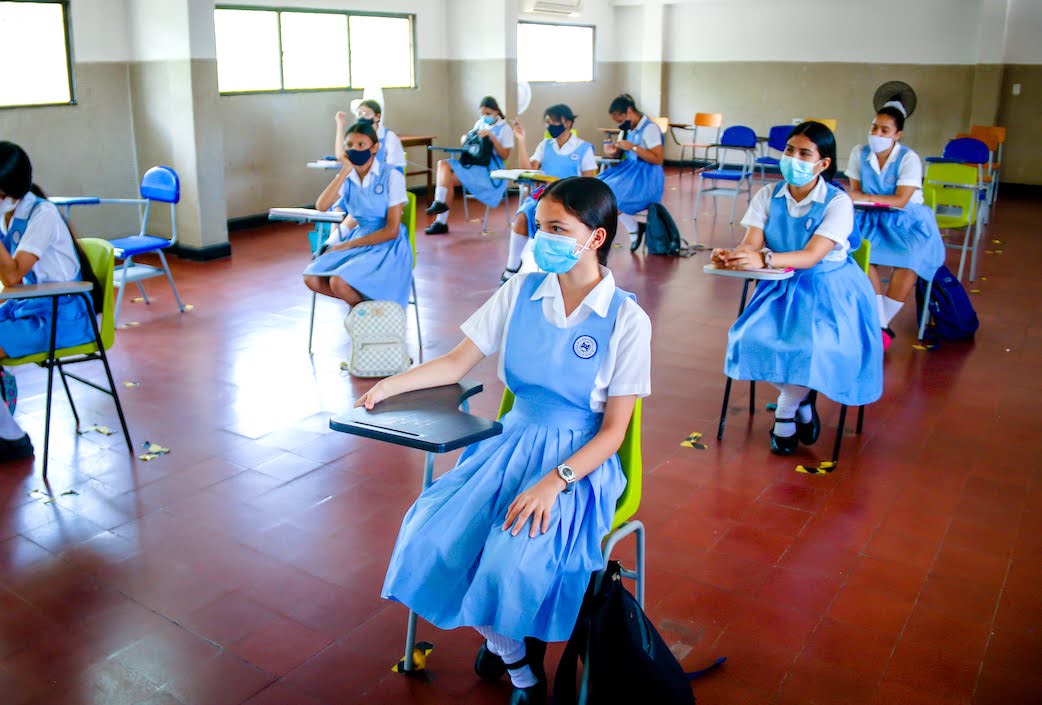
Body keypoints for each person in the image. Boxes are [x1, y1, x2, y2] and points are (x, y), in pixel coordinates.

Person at [361, 177, 651, 705]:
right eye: (540, 228)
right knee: (429, 534)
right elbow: (455, 362)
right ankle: (519, 662)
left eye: (558, 229)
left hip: (576, 464)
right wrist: (389, 383)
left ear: (596, 237)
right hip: (509, 444)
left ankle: (511, 650)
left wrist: (553, 483)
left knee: (510, 562)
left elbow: (614, 432)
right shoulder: (522, 289)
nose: (543, 239)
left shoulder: (626, 319)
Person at [712, 122, 882, 456]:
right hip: (780, 285)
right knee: (746, 342)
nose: (793, 158)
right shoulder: (767, 195)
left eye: (805, 153)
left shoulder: (837, 202)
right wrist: (733, 256)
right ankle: (803, 401)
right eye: (790, 150)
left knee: (810, 349)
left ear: (823, 164)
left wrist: (763, 257)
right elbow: (752, 243)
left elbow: (812, 255)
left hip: (831, 289)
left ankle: (787, 413)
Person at [0, 142, 97, 462]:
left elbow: (11, 276)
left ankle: (13, 440)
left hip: (63, 315)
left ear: (10, 192)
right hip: (30, 306)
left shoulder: (41, 215)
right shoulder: (9, 213)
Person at [846, 100, 945, 349]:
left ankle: (880, 324)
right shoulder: (860, 153)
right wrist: (866, 199)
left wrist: (866, 197)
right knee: (859, 254)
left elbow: (901, 200)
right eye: (874, 128)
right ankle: (880, 326)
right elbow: (853, 191)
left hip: (907, 221)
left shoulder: (908, 158)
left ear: (897, 134)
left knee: (910, 263)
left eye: (884, 130)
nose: (877, 134)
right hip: (869, 217)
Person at [303, 122, 413, 318]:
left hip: (387, 244)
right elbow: (321, 205)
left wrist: (346, 246)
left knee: (338, 281)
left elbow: (392, 230)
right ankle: (368, 313)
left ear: (375, 147)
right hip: (359, 238)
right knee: (311, 278)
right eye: (350, 145)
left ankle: (364, 318)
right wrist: (344, 171)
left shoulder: (391, 176)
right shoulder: (349, 177)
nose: (355, 149)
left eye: (361, 145)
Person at [502, 103, 597, 282]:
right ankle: (511, 267)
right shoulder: (545, 146)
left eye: (555, 122)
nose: (551, 126)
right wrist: (521, 140)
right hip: (544, 196)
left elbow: (589, 182)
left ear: (568, 123)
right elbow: (528, 169)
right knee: (522, 217)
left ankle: (559, 269)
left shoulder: (584, 148)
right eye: (548, 122)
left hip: (570, 200)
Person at [425, 96, 514, 235]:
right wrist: (465, 139)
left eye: (488, 114)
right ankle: (439, 205)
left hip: (491, 169)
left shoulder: (505, 128)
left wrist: (491, 137)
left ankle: (440, 221)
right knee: (442, 164)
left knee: (448, 178)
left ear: (496, 112)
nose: (485, 117)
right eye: (483, 114)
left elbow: (505, 155)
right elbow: (471, 145)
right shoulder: (479, 123)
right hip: (475, 163)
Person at [596, 94, 664, 243]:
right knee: (598, 187)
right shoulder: (626, 130)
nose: (620, 124)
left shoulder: (650, 128)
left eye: (620, 120)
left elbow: (658, 159)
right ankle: (633, 227)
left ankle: (632, 229)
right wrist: (613, 152)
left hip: (646, 176)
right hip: (629, 170)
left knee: (613, 194)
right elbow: (620, 155)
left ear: (629, 111)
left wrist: (633, 147)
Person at [333, 99, 407, 174]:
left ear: (377, 117)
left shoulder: (389, 137)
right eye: (359, 114)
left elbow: (395, 167)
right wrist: (340, 124)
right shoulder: (357, 135)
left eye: (367, 114)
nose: (362, 117)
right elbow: (341, 156)